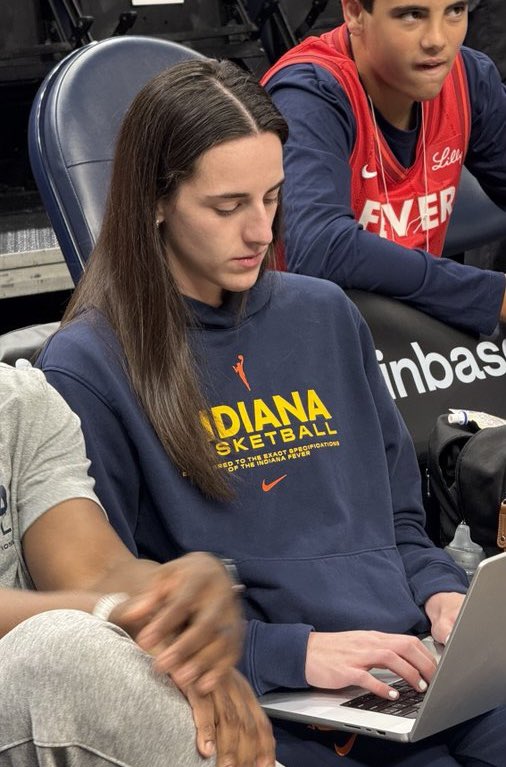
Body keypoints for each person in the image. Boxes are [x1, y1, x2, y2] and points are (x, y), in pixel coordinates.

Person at [37, 58, 506, 765]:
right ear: (155, 202)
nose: (261, 230)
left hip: (408, 666)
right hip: (274, 700)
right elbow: (109, 610)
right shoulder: (88, 366)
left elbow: (399, 524)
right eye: (228, 207)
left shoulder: (325, 313)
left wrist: (442, 594)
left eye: (273, 197)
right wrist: (291, 654)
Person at [0, 362, 277, 767]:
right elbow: (93, 610)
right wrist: (107, 611)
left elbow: (96, 572)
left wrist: (177, 598)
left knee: (173, 669)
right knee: (64, 657)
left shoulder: (19, 397)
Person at [261, 0, 506, 336]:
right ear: (354, 13)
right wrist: (491, 295)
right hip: (306, 337)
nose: (438, 40)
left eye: (455, 11)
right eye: (412, 15)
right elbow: (320, 249)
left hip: (416, 334)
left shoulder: (469, 78)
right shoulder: (308, 95)